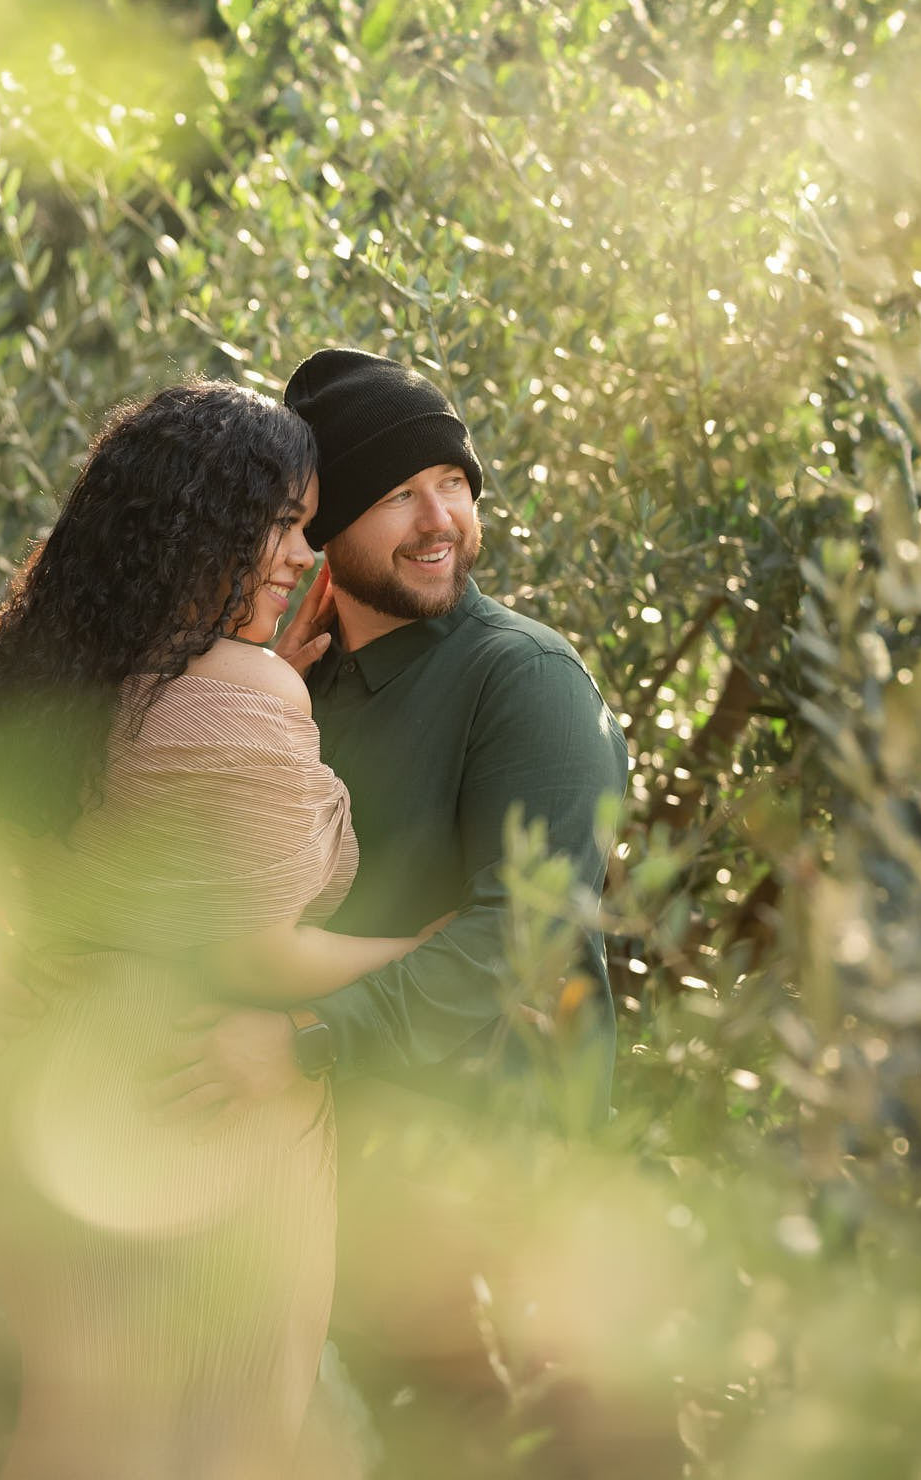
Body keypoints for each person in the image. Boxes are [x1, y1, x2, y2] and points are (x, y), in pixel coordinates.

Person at [0, 378, 435, 1480]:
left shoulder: (49, 685)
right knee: (227, 1445)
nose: (296, 556)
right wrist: (452, 949)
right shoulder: (242, 692)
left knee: (69, 1435)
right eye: (277, 522)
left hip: (46, 1103)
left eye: (306, 528)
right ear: (196, 522)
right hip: (203, 1109)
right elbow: (255, 956)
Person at [156, 348, 636, 1471]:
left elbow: (524, 936)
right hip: (334, 1193)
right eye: (395, 495)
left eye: (455, 484)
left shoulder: (521, 679)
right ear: (322, 530)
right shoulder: (300, 689)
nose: (440, 520)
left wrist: (309, 1042)